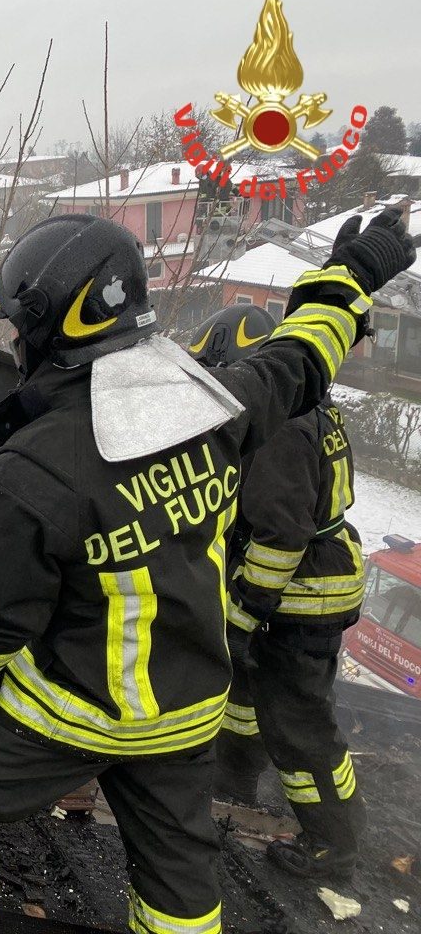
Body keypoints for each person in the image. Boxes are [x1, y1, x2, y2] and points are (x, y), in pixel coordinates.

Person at [0, 211, 414, 934]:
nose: (12, 342)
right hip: (186, 716)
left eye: (17, 328)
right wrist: (352, 275)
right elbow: (302, 356)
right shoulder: (215, 406)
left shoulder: (33, 472)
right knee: (180, 884)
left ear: (53, 329)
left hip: (76, 715)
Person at [190, 303, 368, 882]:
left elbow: (280, 538)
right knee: (246, 698)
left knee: (300, 726)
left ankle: (333, 845)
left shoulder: (280, 428)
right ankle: (236, 778)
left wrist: (241, 614)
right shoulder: (306, 404)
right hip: (308, 585)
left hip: (302, 596)